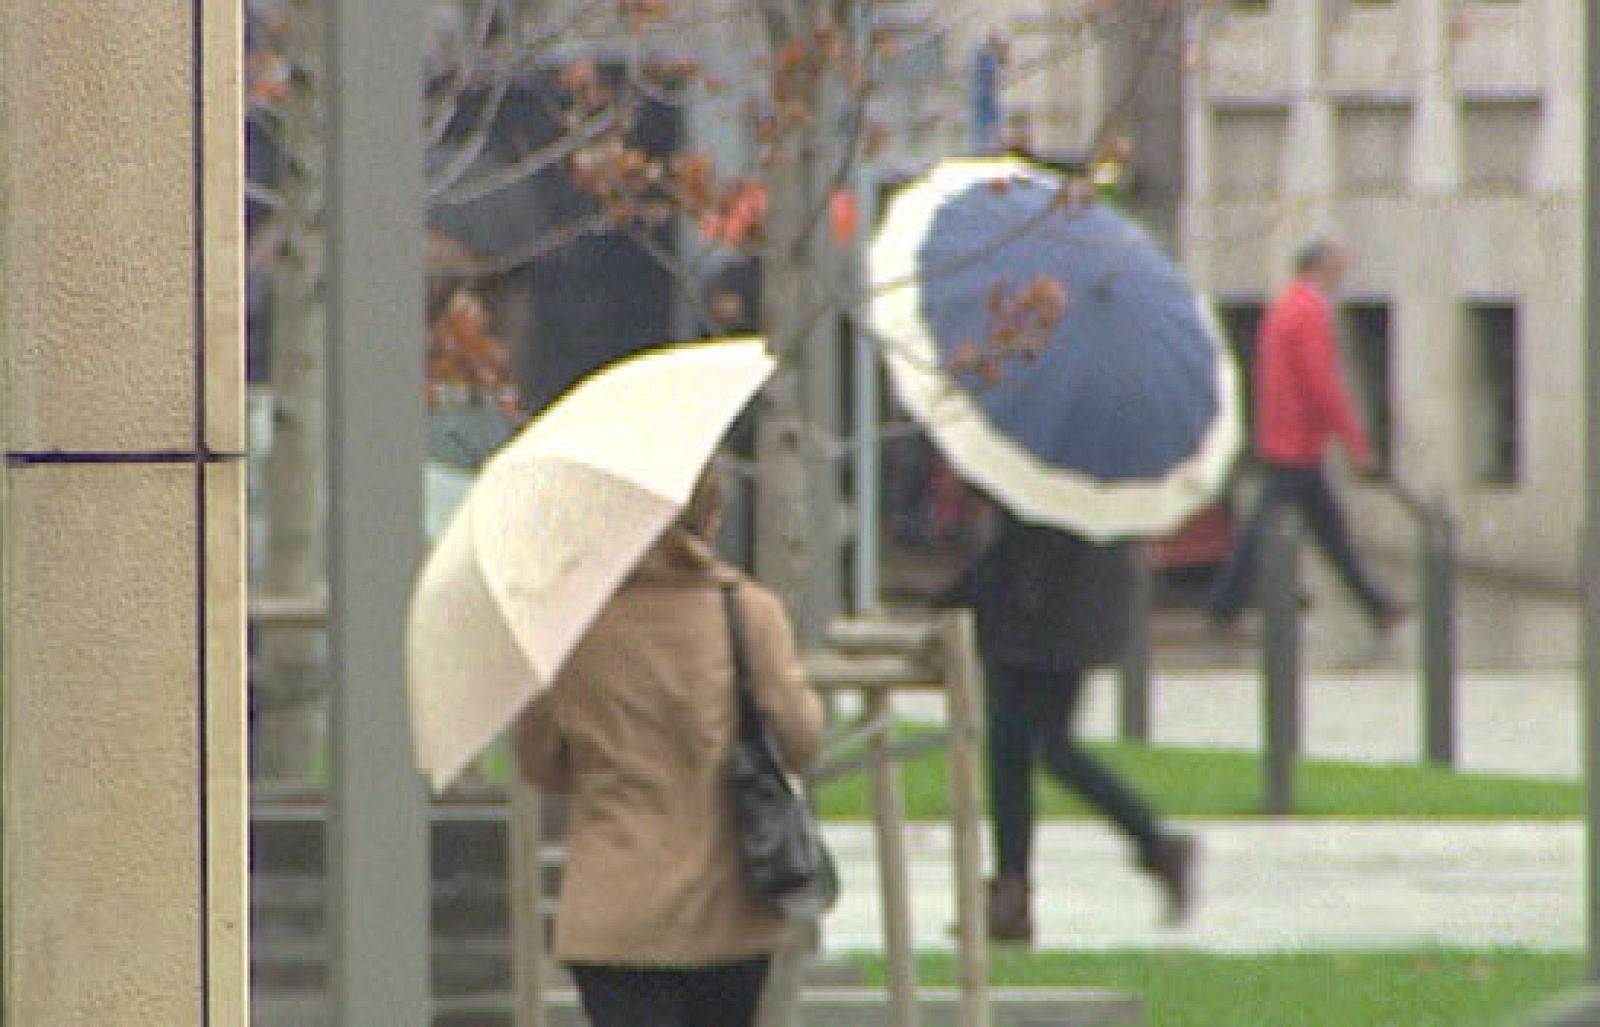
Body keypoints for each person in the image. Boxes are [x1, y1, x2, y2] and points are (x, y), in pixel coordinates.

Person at [512, 468, 824, 1027]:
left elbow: (538, 759)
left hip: (614, 909)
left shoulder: (570, 623)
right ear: (710, 519)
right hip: (729, 906)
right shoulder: (747, 612)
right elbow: (799, 739)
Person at [941, 508, 1196, 943]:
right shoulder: (1090, 470)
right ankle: (1012, 889)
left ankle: (1152, 841)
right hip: (1053, 607)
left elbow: (1018, 547)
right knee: (1011, 749)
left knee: (1042, 746)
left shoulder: (1040, 472)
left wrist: (953, 600)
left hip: (1045, 609)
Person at [1206, 239, 1407, 633]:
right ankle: (1223, 607)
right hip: (1296, 442)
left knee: (1325, 530)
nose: (1341, 277)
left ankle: (1376, 605)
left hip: (1285, 436)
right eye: (1337, 269)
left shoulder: (1286, 306)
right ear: (1321, 268)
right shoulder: (1309, 310)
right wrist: (1356, 445)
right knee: (1274, 530)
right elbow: (1322, 383)